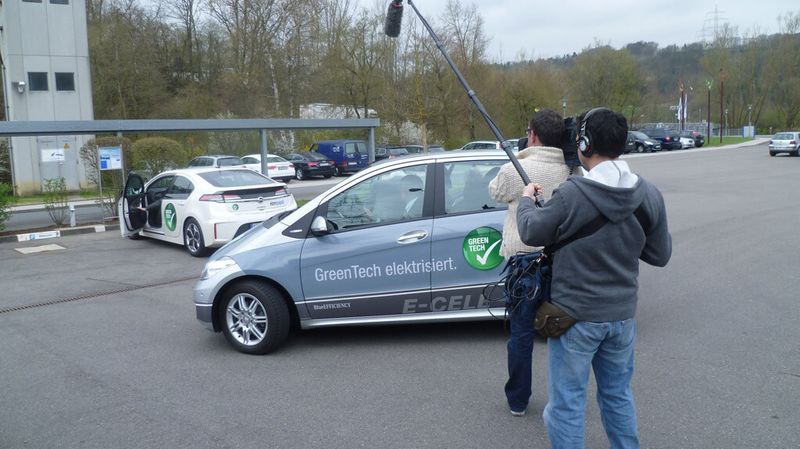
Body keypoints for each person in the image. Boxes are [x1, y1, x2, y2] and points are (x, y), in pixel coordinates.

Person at [516, 108, 672, 448]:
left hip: (575, 319)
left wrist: (526, 201)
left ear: (584, 143)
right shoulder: (648, 194)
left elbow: (530, 230)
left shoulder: (572, 194)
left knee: (567, 406)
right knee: (617, 396)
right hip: (621, 319)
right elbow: (660, 255)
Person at [488, 108, 581, 417]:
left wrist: (517, 157)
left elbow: (496, 191)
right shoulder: (571, 170)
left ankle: (518, 399)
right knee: (562, 331)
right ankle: (567, 397)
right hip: (560, 262)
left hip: (523, 264)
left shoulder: (517, 168)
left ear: (533, 135)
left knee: (522, 334)